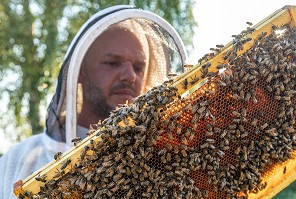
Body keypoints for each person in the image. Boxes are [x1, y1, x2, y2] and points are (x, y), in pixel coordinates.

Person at [0, 5, 187, 198]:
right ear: (79, 70)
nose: (130, 76)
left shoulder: (164, 161)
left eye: (139, 68)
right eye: (112, 63)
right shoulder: (22, 159)